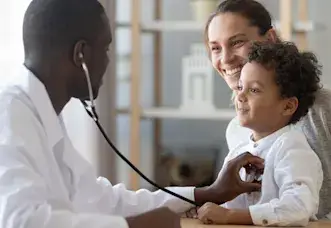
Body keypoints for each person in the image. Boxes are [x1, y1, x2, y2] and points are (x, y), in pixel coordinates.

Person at [0, 0, 265, 228]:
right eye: (105, 49)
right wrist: (130, 226)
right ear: (80, 54)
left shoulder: (42, 114)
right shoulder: (10, 113)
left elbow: (103, 200)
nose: (107, 62)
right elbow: (22, 221)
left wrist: (206, 193)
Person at [202, 0, 331, 219]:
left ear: (270, 39)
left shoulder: (323, 109)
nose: (225, 58)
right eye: (215, 48)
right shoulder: (238, 130)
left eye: (237, 42)